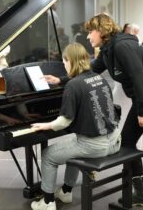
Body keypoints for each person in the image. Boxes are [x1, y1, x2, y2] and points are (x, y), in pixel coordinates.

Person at [43, 14, 143, 210]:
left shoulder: (122, 47)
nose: (88, 36)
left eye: (90, 31)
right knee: (127, 142)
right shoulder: (108, 50)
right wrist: (60, 80)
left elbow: (139, 78)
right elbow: (91, 69)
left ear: (101, 31)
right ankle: (142, 194)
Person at [30, 43, 121, 210]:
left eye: (64, 61)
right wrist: (59, 80)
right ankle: (65, 191)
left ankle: (48, 202)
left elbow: (63, 122)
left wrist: (45, 125)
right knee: (73, 145)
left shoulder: (73, 85)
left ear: (69, 61)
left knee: (48, 155)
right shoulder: (99, 78)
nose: (63, 65)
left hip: (95, 146)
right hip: (115, 141)